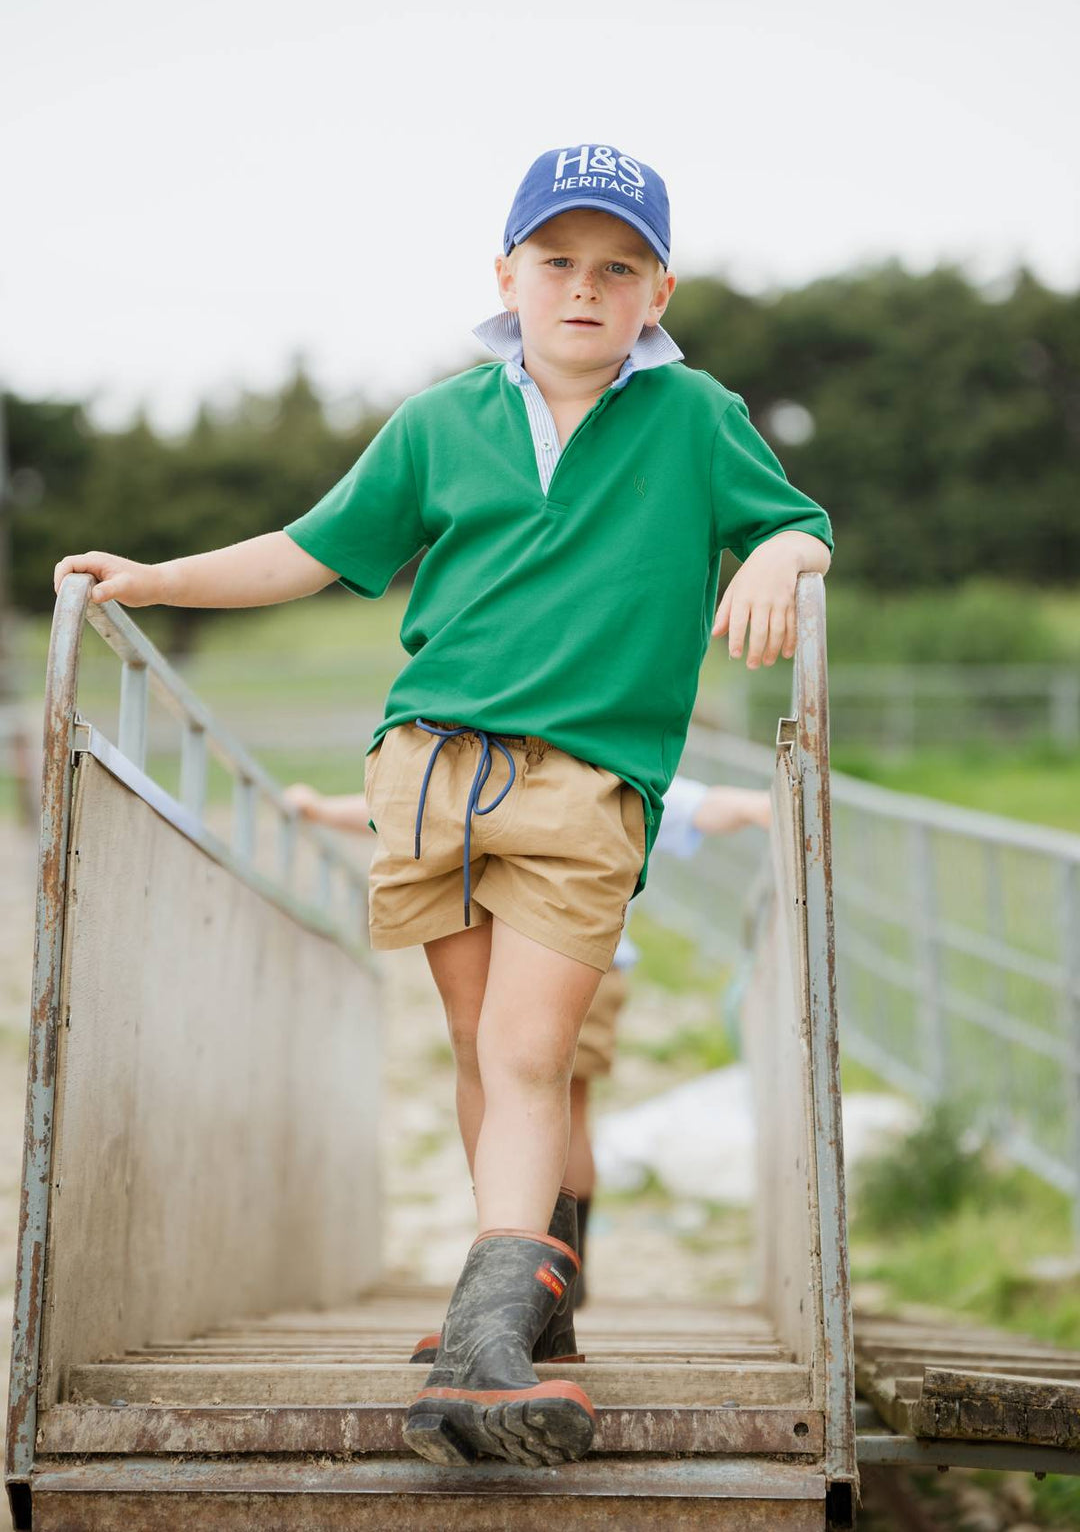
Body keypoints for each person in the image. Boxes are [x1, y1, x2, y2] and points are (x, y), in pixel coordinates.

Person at [53, 142, 832, 1469]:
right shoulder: (439, 421)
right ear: (508, 274)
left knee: (533, 1053)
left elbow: (802, 522)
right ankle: (513, 1306)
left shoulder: (696, 415)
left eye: (618, 267)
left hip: (585, 780)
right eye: (559, 261)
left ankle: (487, 1343)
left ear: (658, 290)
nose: (585, 288)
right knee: (481, 1050)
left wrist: (776, 551)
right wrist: (156, 578)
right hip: (425, 767)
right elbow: (313, 548)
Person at [283, 774, 771, 1308]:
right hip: (569, 961)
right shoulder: (593, 769)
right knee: (544, 1104)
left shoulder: (542, 767)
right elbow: (706, 806)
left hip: (573, 967)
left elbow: (406, 800)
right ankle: (547, 1276)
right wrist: (758, 807)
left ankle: (542, 1278)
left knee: (532, 1101)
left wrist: (320, 809)